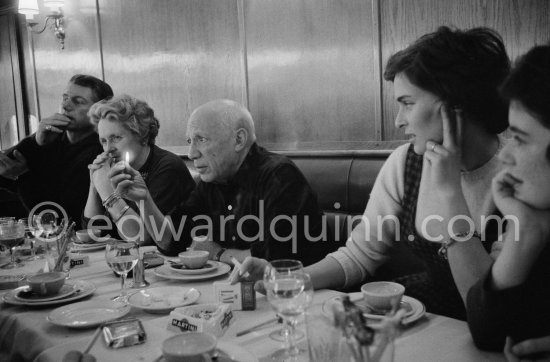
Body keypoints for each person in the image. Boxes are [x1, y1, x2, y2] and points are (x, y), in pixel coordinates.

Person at [234, 26, 511, 320]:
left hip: (489, 331)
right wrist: (285, 279)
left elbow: (489, 310)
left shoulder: (518, 179)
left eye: (407, 103)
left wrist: (449, 192)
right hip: (424, 317)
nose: (398, 120)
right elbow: (359, 255)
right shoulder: (406, 163)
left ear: (455, 105)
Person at [110, 99, 336, 265]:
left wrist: (217, 253)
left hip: (299, 297)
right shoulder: (213, 179)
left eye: (201, 139)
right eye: (190, 141)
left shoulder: (279, 176)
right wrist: (145, 200)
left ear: (238, 140)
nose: (191, 153)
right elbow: (170, 241)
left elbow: (275, 261)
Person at [467, 44, 550, 355]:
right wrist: (525, 235)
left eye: (520, 138)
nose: (505, 154)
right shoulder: (535, 215)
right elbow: (488, 335)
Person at [0, 74, 113, 222]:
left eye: (78, 102)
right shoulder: (52, 136)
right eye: (65, 98)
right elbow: (3, 169)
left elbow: (58, 217)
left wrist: (21, 176)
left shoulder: (99, 153)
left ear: (99, 112)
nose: (65, 106)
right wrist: (36, 142)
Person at [84, 95, 195, 244]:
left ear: (141, 135)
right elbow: (91, 234)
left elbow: (142, 238)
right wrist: (95, 184)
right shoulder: (114, 168)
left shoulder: (168, 167)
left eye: (116, 138)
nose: (108, 149)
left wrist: (107, 193)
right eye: (104, 141)